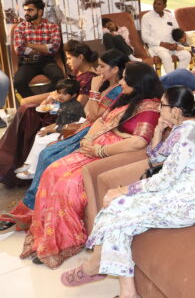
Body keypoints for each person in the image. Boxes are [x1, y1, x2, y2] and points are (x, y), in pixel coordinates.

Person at [62, 86, 195, 297]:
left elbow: (165, 178)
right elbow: (156, 159)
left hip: (192, 201)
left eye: (162, 106)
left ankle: (96, 267)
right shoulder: (183, 128)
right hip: (178, 190)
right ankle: (125, 290)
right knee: (117, 212)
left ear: (176, 111)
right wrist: (158, 130)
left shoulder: (189, 134)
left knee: (117, 206)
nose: (159, 109)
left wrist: (125, 190)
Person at [11, 63, 162, 268]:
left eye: (126, 79)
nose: (121, 82)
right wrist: (89, 140)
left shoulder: (149, 108)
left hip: (111, 154)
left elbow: (138, 142)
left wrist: (101, 150)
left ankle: (64, 242)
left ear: (139, 83)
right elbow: (100, 119)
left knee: (68, 184)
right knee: (52, 170)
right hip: (94, 146)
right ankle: (46, 234)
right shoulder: (126, 97)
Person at [0, 50, 128, 229]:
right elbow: (89, 113)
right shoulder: (106, 86)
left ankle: (33, 210)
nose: (98, 70)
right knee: (46, 152)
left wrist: (93, 91)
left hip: (95, 133)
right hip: (87, 127)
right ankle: (30, 207)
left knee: (50, 155)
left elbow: (93, 115)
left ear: (114, 69)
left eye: (101, 66)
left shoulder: (116, 90)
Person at [0, 40, 97, 187]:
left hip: (69, 117)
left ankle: (13, 165)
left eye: (69, 58)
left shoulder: (88, 78)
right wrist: (52, 97)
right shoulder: (80, 73)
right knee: (26, 106)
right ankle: (13, 163)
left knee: (28, 112)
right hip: (61, 106)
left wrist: (55, 103)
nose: (68, 62)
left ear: (81, 57)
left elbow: (77, 107)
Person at [14, 79, 84, 181]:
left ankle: (32, 171)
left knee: (42, 139)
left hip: (72, 133)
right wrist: (47, 128)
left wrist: (48, 131)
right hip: (66, 128)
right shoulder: (67, 104)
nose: (60, 96)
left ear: (73, 95)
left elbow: (66, 127)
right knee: (40, 132)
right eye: (59, 93)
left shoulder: (71, 108)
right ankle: (29, 164)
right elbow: (61, 122)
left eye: (64, 94)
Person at [12, 0, 65, 97]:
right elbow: (19, 50)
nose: (26, 13)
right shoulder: (20, 28)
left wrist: (28, 45)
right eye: (25, 10)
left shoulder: (52, 27)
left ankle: (46, 100)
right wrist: (45, 48)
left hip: (47, 61)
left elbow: (53, 48)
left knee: (59, 78)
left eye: (30, 10)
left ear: (40, 12)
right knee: (18, 82)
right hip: (28, 63)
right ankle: (35, 103)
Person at [140, 0, 191, 73]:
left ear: (165, 6)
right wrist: (162, 44)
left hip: (172, 46)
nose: (155, 6)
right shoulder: (146, 17)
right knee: (166, 56)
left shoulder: (170, 16)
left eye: (159, 4)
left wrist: (175, 44)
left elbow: (177, 32)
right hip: (157, 46)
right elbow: (145, 37)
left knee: (186, 55)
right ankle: (172, 79)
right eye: (154, 3)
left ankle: (177, 75)